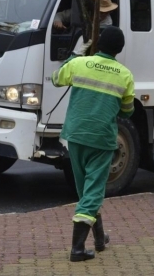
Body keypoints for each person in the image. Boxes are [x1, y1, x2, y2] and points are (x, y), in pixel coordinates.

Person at [51, 26, 135, 262]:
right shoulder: (124, 75)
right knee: (92, 194)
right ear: (119, 50)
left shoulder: (80, 65)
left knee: (87, 193)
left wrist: (75, 55)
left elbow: (56, 79)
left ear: (97, 45)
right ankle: (77, 249)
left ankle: (99, 239)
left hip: (76, 136)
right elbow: (127, 112)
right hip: (102, 140)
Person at [53, 0, 118, 30]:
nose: (104, 15)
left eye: (107, 13)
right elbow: (59, 15)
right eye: (101, 12)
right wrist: (58, 21)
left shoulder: (108, 22)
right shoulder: (81, 12)